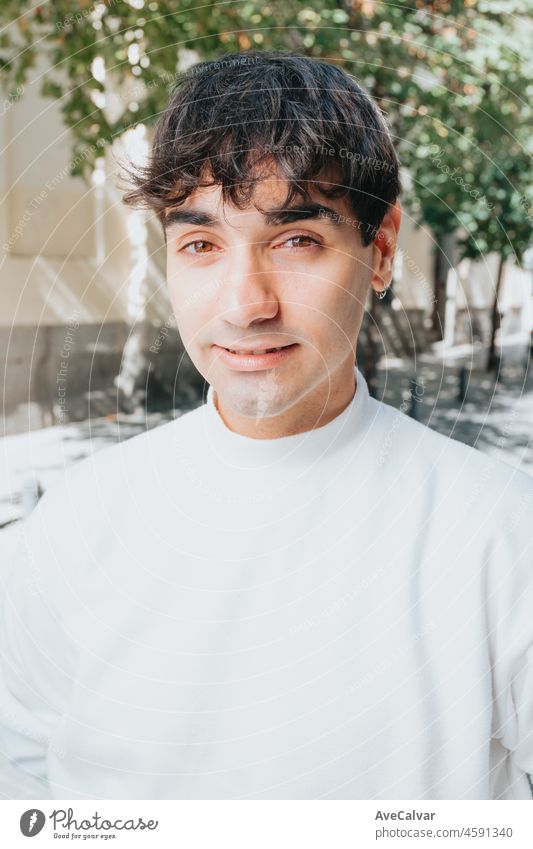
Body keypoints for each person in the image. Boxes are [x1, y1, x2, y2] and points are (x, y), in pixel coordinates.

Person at [1, 50, 532, 801]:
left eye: (295, 241)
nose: (245, 303)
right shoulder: (72, 527)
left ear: (379, 251)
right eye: (201, 245)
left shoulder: (502, 536)